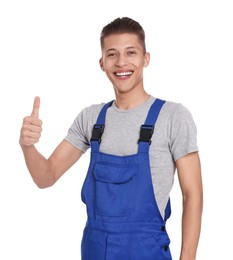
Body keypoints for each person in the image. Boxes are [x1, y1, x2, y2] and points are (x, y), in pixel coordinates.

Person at [19, 17, 203, 260]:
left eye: (131, 52)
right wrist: (27, 147)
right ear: (102, 63)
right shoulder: (92, 119)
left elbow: (193, 195)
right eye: (112, 54)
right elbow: (46, 176)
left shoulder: (173, 117)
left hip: (146, 251)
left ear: (146, 58)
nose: (122, 62)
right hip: (94, 250)